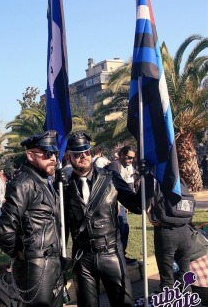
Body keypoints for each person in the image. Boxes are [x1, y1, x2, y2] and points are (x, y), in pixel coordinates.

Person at [59, 131, 153, 307]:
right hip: (82, 256)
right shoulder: (64, 186)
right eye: (77, 154)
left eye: (86, 152)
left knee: (123, 303)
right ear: (68, 156)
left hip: (111, 252)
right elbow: (61, 227)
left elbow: (137, 206)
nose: (83, 157)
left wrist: (147, 179)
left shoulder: (110, 177)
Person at [0, 131, 64, 307]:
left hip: (53, 263)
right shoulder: (23, 183)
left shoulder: (45, 181)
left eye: (55, 153)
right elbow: (4, 231)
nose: (53, 158)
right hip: (35, 266)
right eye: (47, 153)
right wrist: (23, 254)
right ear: (30, 155)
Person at [147, 179, 194, 292]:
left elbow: (147, 206)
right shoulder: (179, 180)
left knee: (167, 280)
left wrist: (150, 216)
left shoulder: (155, 181)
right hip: (185, 231)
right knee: (184, 276)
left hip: (166, 232)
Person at [108, 146, 137, 261]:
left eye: (132, 158)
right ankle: (117, 256)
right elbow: (111, 186)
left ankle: (122, 255)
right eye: (128, 157)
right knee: (120, 230)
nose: (131, 161)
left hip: (121, 205)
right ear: (121, 155)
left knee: (125, 229)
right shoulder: (114, 166)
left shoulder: (126, 167)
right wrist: (116, 204)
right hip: (114, 205)